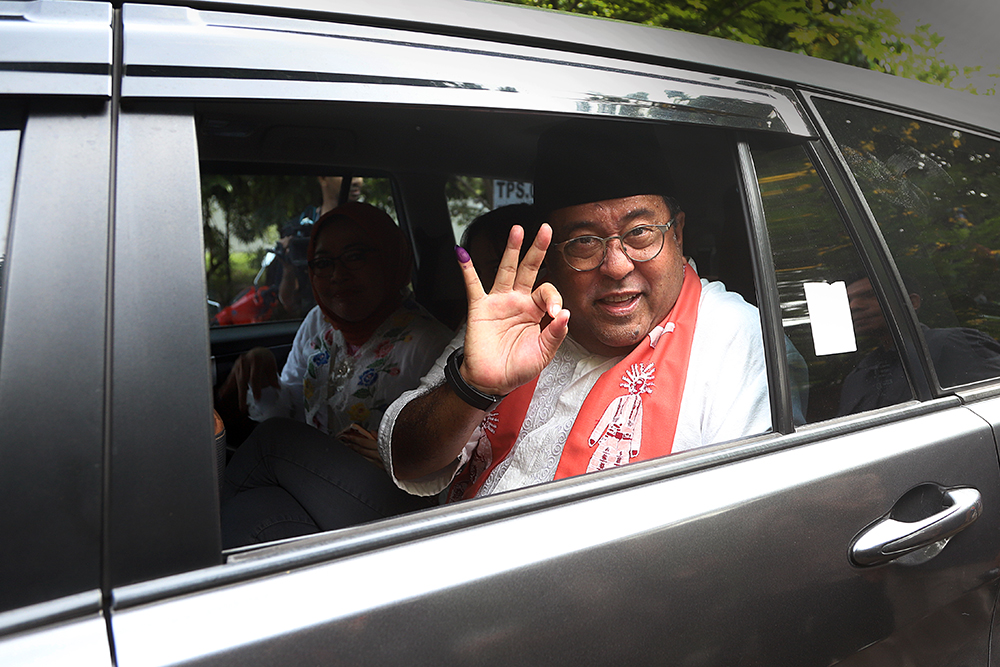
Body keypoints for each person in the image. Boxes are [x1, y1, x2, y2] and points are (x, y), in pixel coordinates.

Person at [378, 121, 771, 501]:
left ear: (678, 234)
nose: (617, 265)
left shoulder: (732, 335)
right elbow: (406, 462)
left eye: (639, 233)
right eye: (585, 241)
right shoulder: (515, 317)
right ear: (553, 256)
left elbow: (738, 520)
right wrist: (473, 388)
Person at [220, 201, 452, 546]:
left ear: (390, 259)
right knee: (254, 512)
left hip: (400, 508)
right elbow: (293, 411)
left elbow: (453, 457)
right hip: (315, 485)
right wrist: (263, 374)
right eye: (323, 263)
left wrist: (395, 452)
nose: (337, 275)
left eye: (355, 256)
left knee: (273, 441)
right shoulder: (319, 323)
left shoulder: (428, 343)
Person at [839, 275, 1000, 414]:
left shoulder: (953, 344)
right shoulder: (859, 375)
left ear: (912, 302)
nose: (854, 306)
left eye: (870, 295)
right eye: (849, 301)